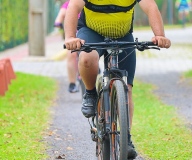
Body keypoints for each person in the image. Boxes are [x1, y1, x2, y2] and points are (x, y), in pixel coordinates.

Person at [64, 0, 171, 159]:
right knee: (86, 58)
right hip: (91, 31)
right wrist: (70, 37)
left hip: (123, 35)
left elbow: (151, 7)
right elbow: (73, 6)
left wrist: (160, 35)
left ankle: (126, 139)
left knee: (126, 90)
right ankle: (91, 93)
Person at [54, 0, 79, 93]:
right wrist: (58, 22)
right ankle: (72, 83)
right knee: (71, 54)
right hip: (73, 34)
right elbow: (60, 15)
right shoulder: (68, 4)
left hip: (88, 32)